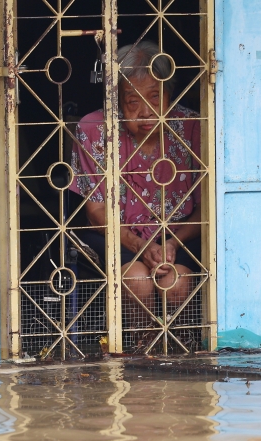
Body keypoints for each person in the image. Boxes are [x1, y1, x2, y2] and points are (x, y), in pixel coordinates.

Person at [70, 40, 202, 325]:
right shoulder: (95, 130)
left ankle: (176, 349)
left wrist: (172, 244)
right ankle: (141, 351)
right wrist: (141, 246)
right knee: (137, 280)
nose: (145, 112)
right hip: (118, 236)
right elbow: (95, 211)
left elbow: (208, 206)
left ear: (170, 95)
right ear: (116, 100)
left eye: (155, 98)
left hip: (180, 236)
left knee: (176, 283)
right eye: (132, 102)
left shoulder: (193, 126)